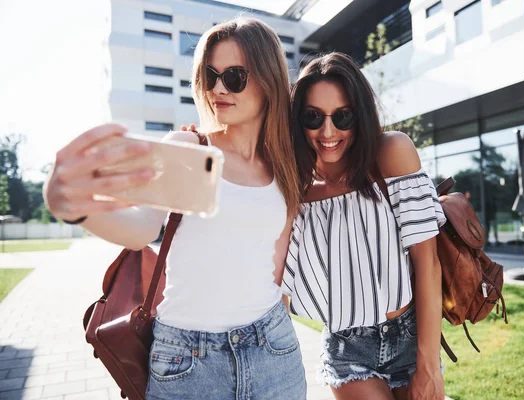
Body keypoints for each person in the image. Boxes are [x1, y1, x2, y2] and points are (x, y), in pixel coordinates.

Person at [43, 18, 306, 400]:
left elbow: (276, 264)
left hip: (273, 348)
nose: (218, 88)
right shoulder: (191, 147)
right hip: (187, 360)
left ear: (268, 79)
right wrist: (74, 207)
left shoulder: (282, 163)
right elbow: (141, 227)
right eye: (211, 74)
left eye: (234, 76)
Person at [283, 52, 446, 400]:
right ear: (298, 120)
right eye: (313, 117)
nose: (328, 131)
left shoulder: (392, 153)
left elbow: (427, 263)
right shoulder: (293, 188)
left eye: (343, 116)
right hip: (347, 347)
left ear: (360, 115)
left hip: (410, 334)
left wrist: (429, 366)